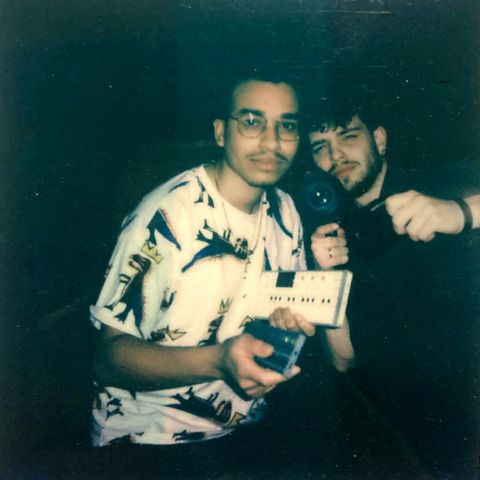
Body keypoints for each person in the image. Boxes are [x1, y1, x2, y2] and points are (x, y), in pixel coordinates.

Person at [88, 69, 354, 479]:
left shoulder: (285, 210)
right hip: (151, 437)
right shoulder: (167, 217)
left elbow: (273, 316)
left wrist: (286, 322)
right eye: (251, 122)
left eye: (286, 126)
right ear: (220, 132)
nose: (271, 142)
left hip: (249, 424)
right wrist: (219, 361)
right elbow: (108, 359)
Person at [301, 85, 479, 479]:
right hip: (406, 440)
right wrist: (326, 278)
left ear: (379, 140)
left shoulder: (438, 184)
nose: (335, 156)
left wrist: (460, 213)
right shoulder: (335, 232)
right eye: (320, 147)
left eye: (348, 136)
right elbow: (344, 359)